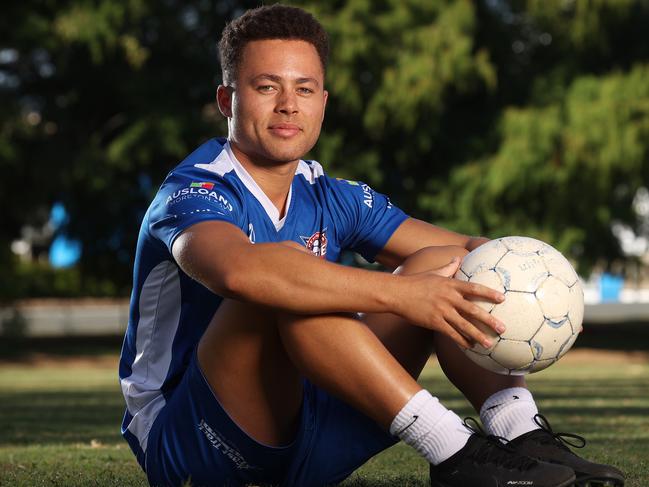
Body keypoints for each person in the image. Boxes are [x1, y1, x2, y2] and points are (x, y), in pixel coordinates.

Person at [119, 5, 625, 487]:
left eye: (305, 88)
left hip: (310, 432)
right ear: (229, 101)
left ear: (323, 102)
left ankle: (522, 433)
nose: (288, 104)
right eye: (266, 86)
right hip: (192, 443)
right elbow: (237, 272)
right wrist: (404, 296)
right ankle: (452, 450)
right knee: (291, 277)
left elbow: (473, 248)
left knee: (452, 264)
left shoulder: (331, 194)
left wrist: (554, 289)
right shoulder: (193, 191)